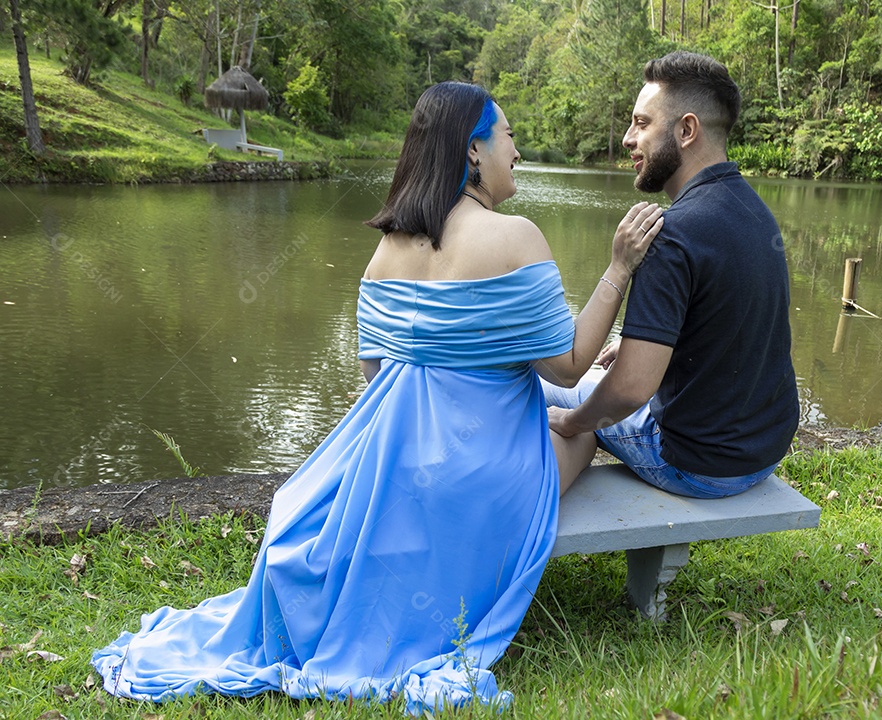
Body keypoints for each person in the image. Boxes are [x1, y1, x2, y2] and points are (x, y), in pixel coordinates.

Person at [92, 82, 663, 713]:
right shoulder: (514, 237)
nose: (518, 152)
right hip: (477, 471)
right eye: (507, 136)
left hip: (383, 463)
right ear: (473, 151)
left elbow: (372, 372)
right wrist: (618, 268)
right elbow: (570, 364)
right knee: (579, 426)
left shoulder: (385, 247)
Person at [545, 51, 800, 499]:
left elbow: (630, 389)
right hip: (762, 452)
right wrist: (645, 342)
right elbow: (730, 318)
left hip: (695, 466)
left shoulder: (670, 234)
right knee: (589, 389)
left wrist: (572, 422)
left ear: (686, 130)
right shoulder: (755, 211)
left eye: (641, 123)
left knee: (542, 388)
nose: (627, 138)